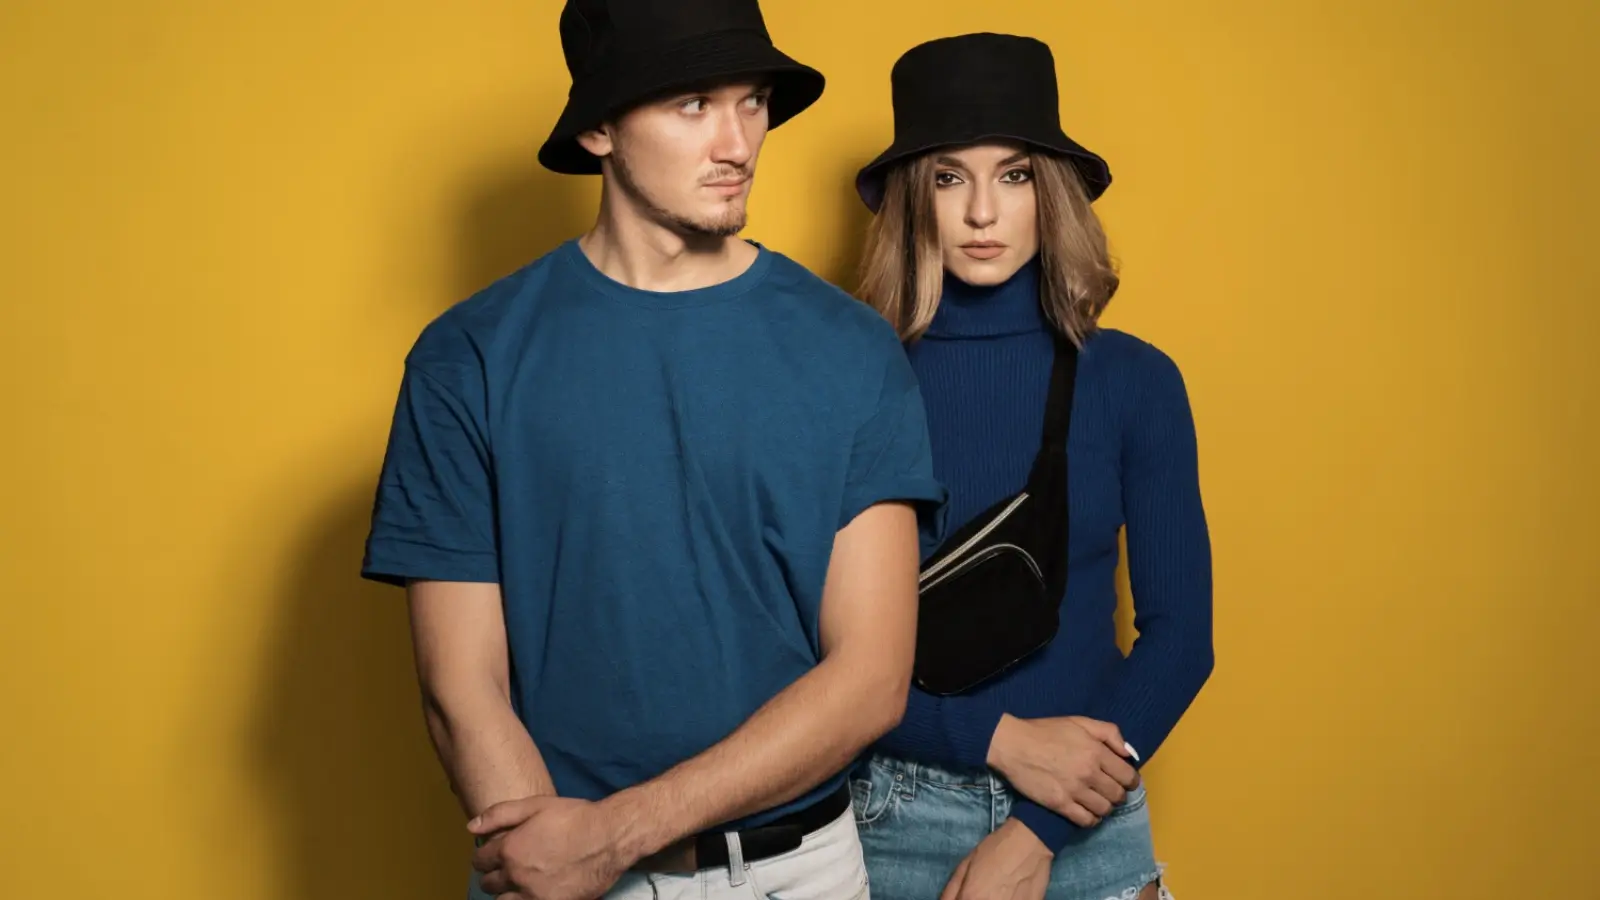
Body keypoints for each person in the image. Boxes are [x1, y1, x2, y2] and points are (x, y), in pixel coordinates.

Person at [360, 2, 947, 898]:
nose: (738, 143)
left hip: (798, 873)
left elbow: (870, 678)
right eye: (693, 105)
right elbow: (460, 684)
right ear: (599, 128)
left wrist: (615, 835)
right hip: (551, 864)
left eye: (752, 102)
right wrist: (555, 862)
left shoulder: (850, 349)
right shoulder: (470, 356)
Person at [849, 33, 1214, 900]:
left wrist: (1039, 832)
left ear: (1050, 192)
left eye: (1013, 176)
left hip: (1087, 812)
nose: (983, 212)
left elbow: (1181, 640)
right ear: (913, 196)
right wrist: (997, 740)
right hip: (893, 814)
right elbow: (809, 646)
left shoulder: (1133, 380)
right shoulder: (851, 380)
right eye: (950, 178)